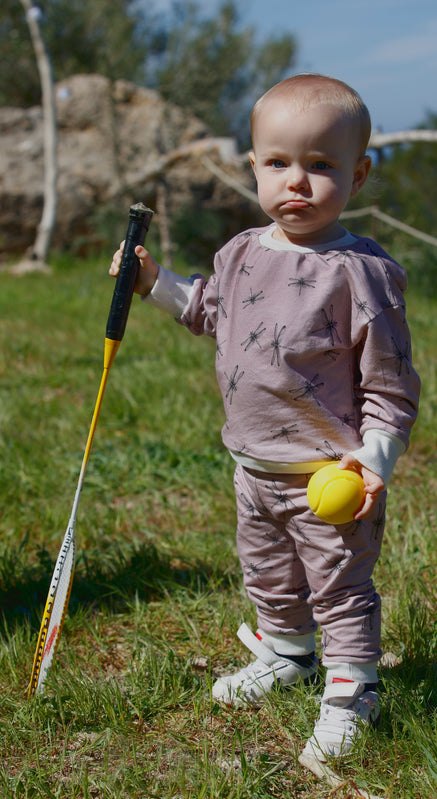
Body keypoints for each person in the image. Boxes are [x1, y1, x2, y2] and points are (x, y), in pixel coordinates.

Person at [110, 73, 420, 762]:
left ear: (359, 173)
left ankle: (351, 688)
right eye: (278, 163)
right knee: (268, 576)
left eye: (320, 165)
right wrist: (153, 282)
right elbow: (206, 312)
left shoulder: (360, 272)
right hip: (251, 466)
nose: (297, 183)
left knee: (338, 586)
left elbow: (390, 383)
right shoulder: (241, 251)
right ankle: (286, 653)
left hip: (326, 478)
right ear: (253, 166)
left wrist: (373, 459)